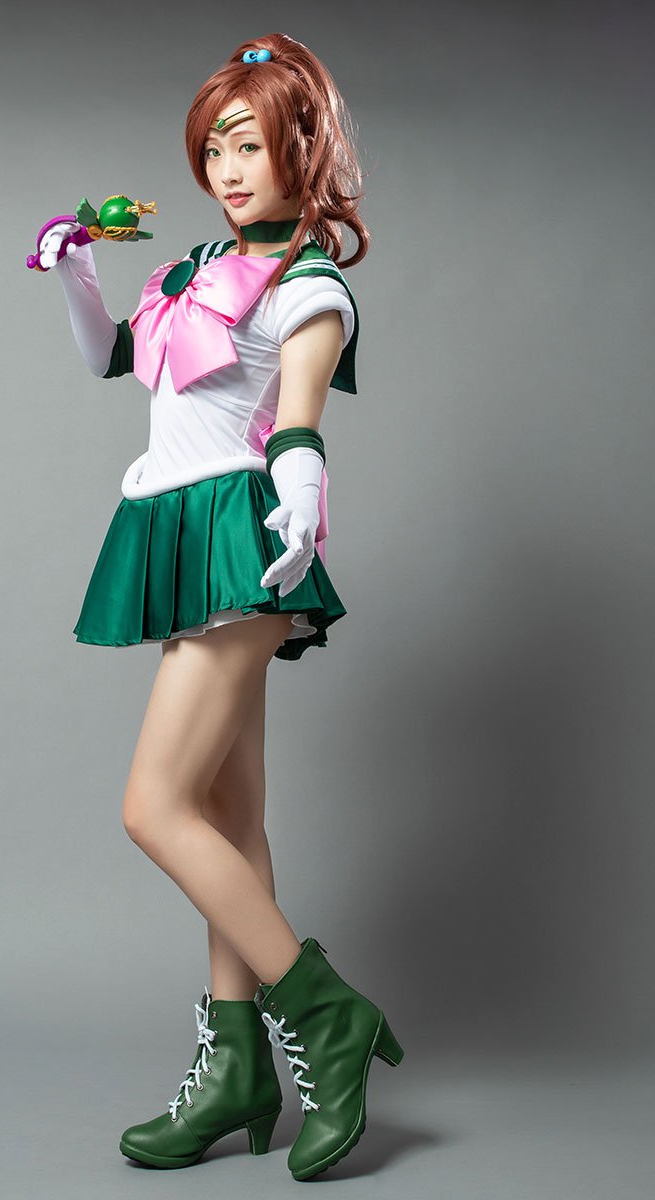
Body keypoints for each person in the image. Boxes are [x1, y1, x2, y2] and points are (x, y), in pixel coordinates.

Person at [33, 32, 402, 1182]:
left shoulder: (310, 285)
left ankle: (328, 1017)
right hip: (179, 534)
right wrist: (76, 274)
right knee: (233, 821)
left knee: (155, 807)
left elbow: (297, 421)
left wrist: (304, 498)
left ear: (304, 147)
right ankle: (238, 1066)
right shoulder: (193, 268)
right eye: (214, 149)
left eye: (250, 145)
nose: (228, 169)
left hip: (241, 542)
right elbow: (115, 361)